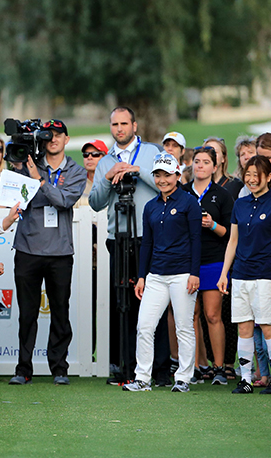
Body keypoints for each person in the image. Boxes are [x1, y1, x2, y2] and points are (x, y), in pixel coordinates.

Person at [89, 107, 167, 385]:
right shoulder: (104, 160)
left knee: (152, 300)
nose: (119, 129)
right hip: (118, 238)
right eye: (114, 124)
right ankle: (125, 366)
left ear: (134, 125)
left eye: (124, 123)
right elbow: (95, 202)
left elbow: (165, 185)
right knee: (122, 302)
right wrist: (110, 177)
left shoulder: (151, 152)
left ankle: (159, 369)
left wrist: (136, 169)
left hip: (149, 237)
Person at [7, 119, 85, 386]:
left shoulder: (75, 170)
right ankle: (23, 369)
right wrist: (35, 177)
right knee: (27, 313)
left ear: (66, 139)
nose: (53, 139)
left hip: (60, 251)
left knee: (60, 312)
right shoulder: (27, 163)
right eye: (48, 135)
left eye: (58, 134)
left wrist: (39, 182)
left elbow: (64, 201)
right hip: (28, 248)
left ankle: (59, 368)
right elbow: (17, 196)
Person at [124, 153, 201, 392]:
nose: (162, 180)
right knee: (144, 326)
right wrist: (141, 276)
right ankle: (142, 378)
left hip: (182, 274)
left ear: (177, 175)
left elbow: (196, 239)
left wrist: (194, 273)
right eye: (158, 175)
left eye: (167, 175)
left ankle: (183, 378)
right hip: (156, 276)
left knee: (183, 327)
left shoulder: (189, 202)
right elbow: (146, 244)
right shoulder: (150, 207)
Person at [217, 155, 271, 395]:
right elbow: (233, 242)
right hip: (241, 275)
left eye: (256, 175)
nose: (250, 179)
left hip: (266, 276)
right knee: (244, 329)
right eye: (247, 175)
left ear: (269, 176)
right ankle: (246, 380)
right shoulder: (240, 204)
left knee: (269, 327)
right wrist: (224, 273)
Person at [183, 146, 233, 385]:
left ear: (215, 167)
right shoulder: (182, 192)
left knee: (212, 315)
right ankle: (192, 367)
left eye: (205, 162)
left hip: (214, 260)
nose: (200, 165)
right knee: (190, 315)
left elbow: (229, 234)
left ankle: (219, 368)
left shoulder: (222, 196)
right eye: (196, 161)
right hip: (186, 263)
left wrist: (212, 225)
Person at [75, 140, 107, 208]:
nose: (89, 158)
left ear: (105, 158)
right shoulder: (76, 182)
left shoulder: (112, 182)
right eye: (86, 155)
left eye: (95, 154)